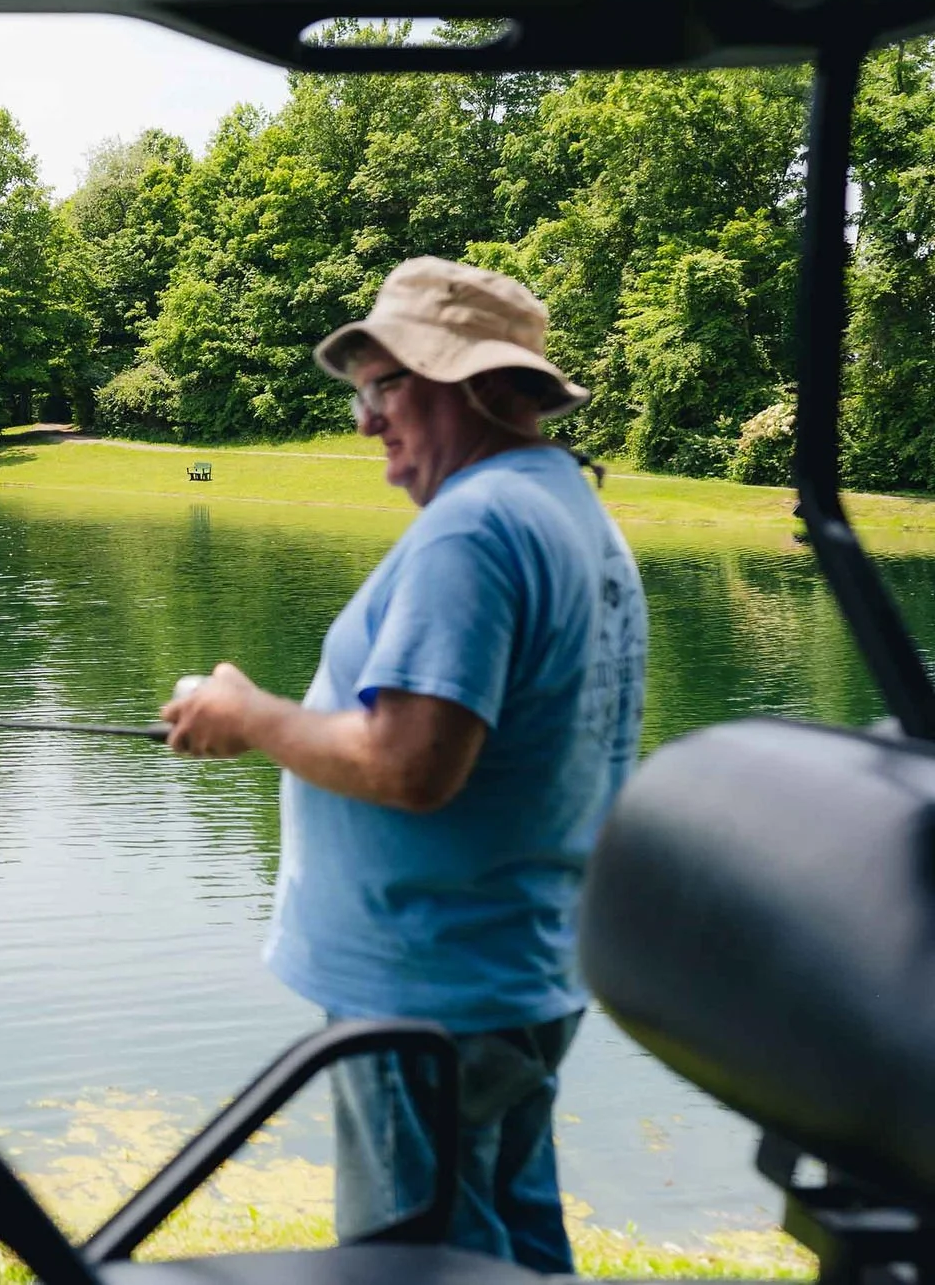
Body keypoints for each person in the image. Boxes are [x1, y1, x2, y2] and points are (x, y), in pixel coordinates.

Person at [160, 256, 648, 1272]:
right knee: (509, 1252)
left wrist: (249, 716)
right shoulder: (570, 509)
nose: (364, 419)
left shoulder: (475, 527)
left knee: (417, 1266)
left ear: (473, 384)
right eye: (360, 391)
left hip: (429, 990)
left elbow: (411, 764)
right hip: (515, 973)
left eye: (384, 385)